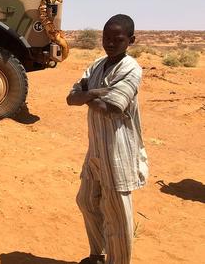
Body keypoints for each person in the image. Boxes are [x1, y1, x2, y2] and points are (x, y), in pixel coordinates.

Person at [66, 14, 149, 264]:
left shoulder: (131, 69)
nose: (110, 43)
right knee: (87, 201)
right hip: (96, 151)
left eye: (117, 39)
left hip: (119, 153)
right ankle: (97, 255)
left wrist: (87, 96)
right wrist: (94, 92)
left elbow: (113, 107)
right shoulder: (97, 65)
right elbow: (71, 97)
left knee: (118, 216)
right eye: (106, 38)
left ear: (130, 40)